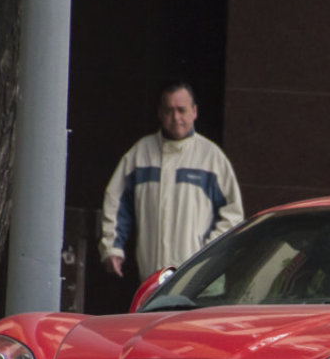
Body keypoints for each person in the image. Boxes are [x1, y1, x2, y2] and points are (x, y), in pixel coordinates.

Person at [98, 82, 244, 279]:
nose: (176, 118)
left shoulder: (211, 158)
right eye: (169, 111)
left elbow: (233, 215)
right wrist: (112, 248)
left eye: (181, 110)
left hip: (201, 280)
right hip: (152, 279)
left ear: (194, 111)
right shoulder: (139, 155)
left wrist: (207, 253)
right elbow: (115, 203)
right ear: (160, 113)